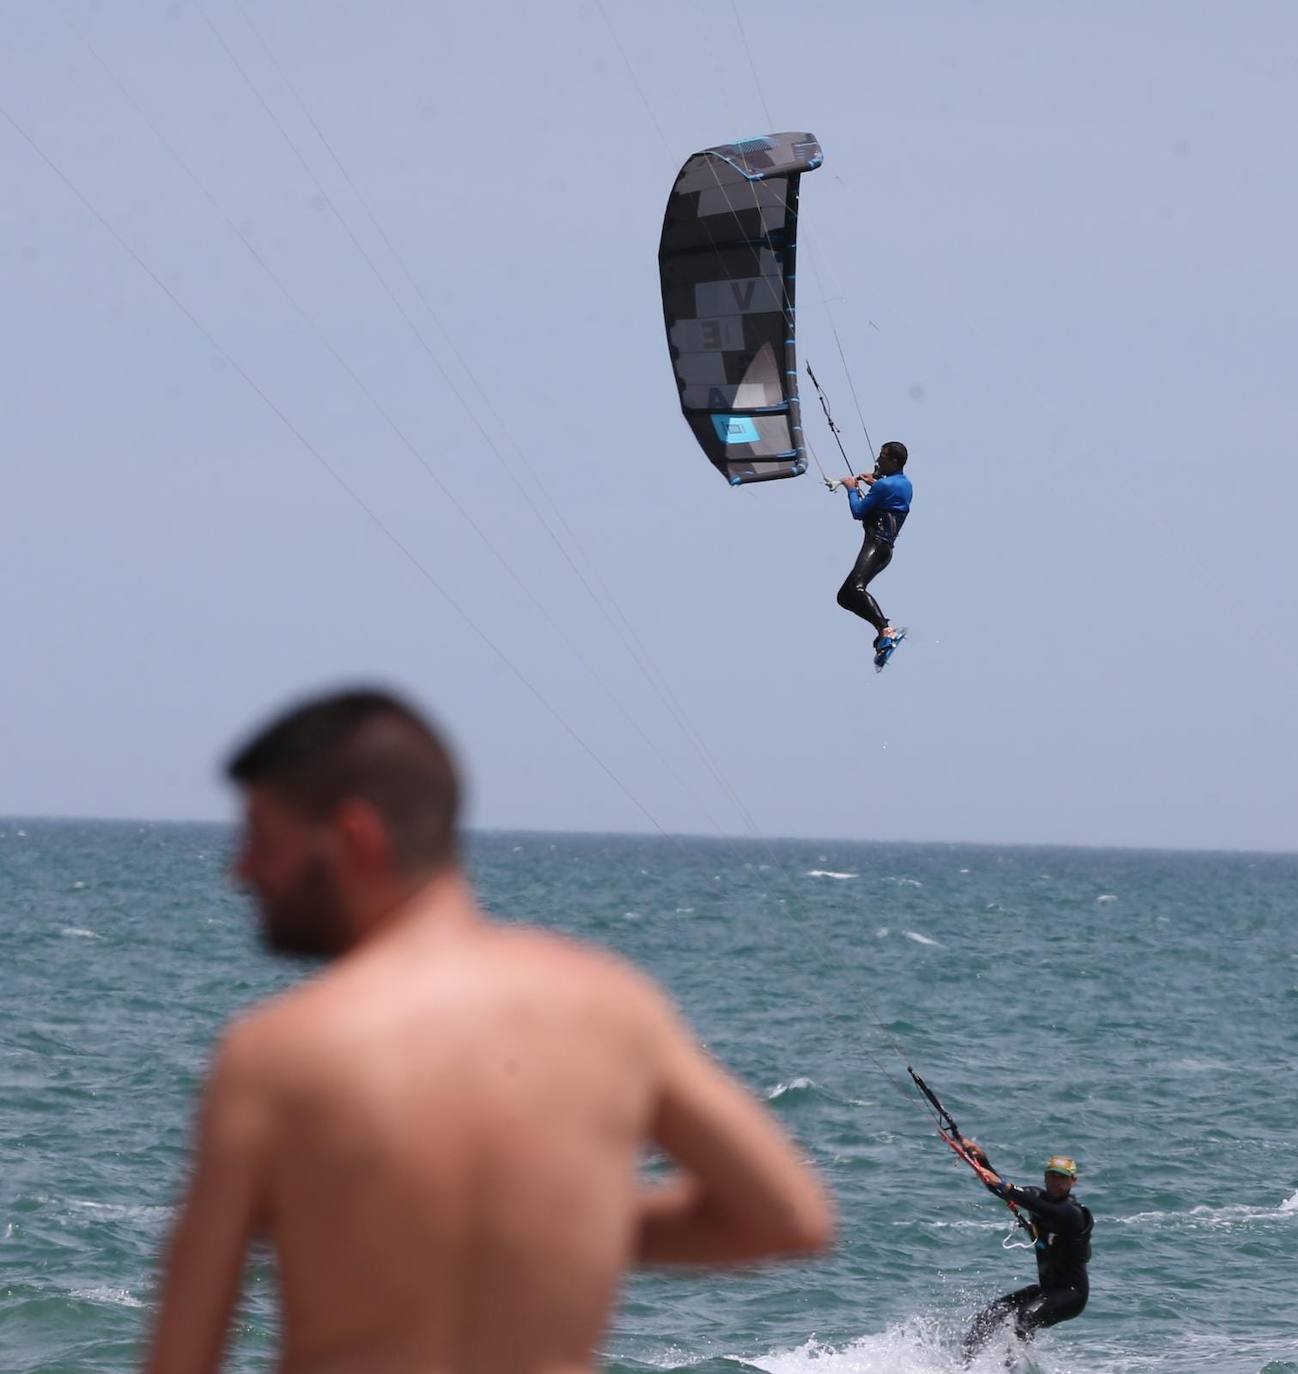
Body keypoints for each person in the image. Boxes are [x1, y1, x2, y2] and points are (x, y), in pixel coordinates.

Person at [145, 689, 834, 1374]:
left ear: (357, 837)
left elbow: (183, 1356)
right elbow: (785, 1216)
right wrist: (546, 1221)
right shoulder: (610, 1011)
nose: (241, 869)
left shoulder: (278, 1054)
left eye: (264, 840)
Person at [960, 1148, 1093, 1364]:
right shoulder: (1034, 1196)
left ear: (1073, 1181)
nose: (1055, 1182)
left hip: (1072, 1296)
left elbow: (1040, 1207)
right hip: (1046, 1290)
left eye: (1062, 1178)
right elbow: (1000, 1188)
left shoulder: (1072, 1213)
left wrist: (1006, 1186)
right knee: (989, 1316)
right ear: (1045, 1177)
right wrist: (981, 1159)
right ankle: (962, 1365)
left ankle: (1015, 1368)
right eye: (1051, 1176)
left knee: (1024, 1318)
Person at [833, 441, 913, 669]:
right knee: (844, 596)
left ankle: (887, 631)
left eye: (883, 456)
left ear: (894, 461)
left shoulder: (883, 487)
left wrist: (850, 488)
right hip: (884, 550)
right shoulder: (904, 484)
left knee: (855, 588)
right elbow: (889, 495)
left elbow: (858, 511)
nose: (878, 460)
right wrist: (875, 481)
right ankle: (884, 631)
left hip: (877, 546)